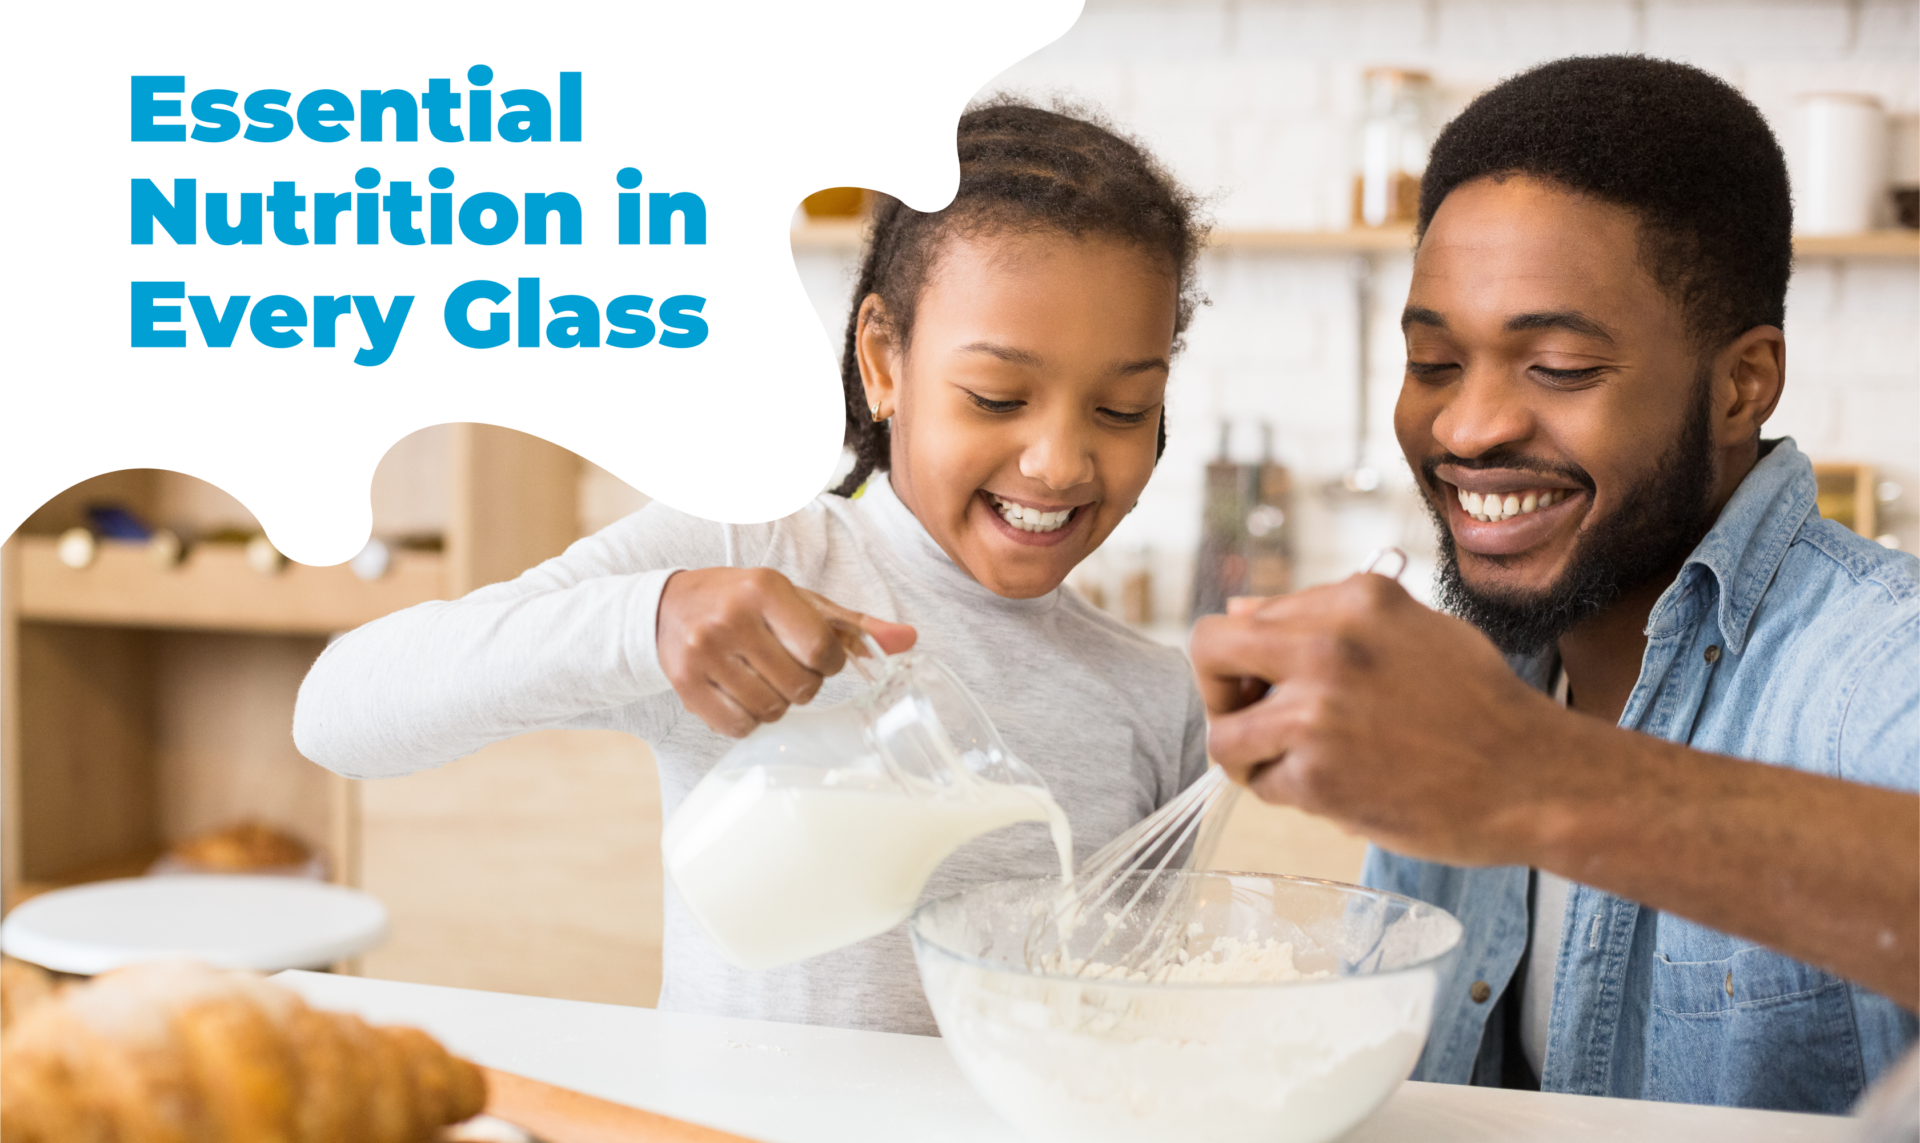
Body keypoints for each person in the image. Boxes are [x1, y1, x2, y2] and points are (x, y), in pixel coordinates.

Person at [294, 99, 1212, 1036]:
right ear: (883, 362)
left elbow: (1130, 1023)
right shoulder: (750, 565)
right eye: (997, 396)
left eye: (1122, 410)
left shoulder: (1150, 697)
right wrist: (649, 621)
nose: (1058, 463)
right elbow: (336, 713)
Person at [1190, 55, 1920, 1113]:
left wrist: (1534, 778)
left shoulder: (1883, 663)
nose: (1467, 427)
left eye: (1561, 369)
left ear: (1741, 385)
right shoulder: (1465, 669)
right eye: (1434, 364)